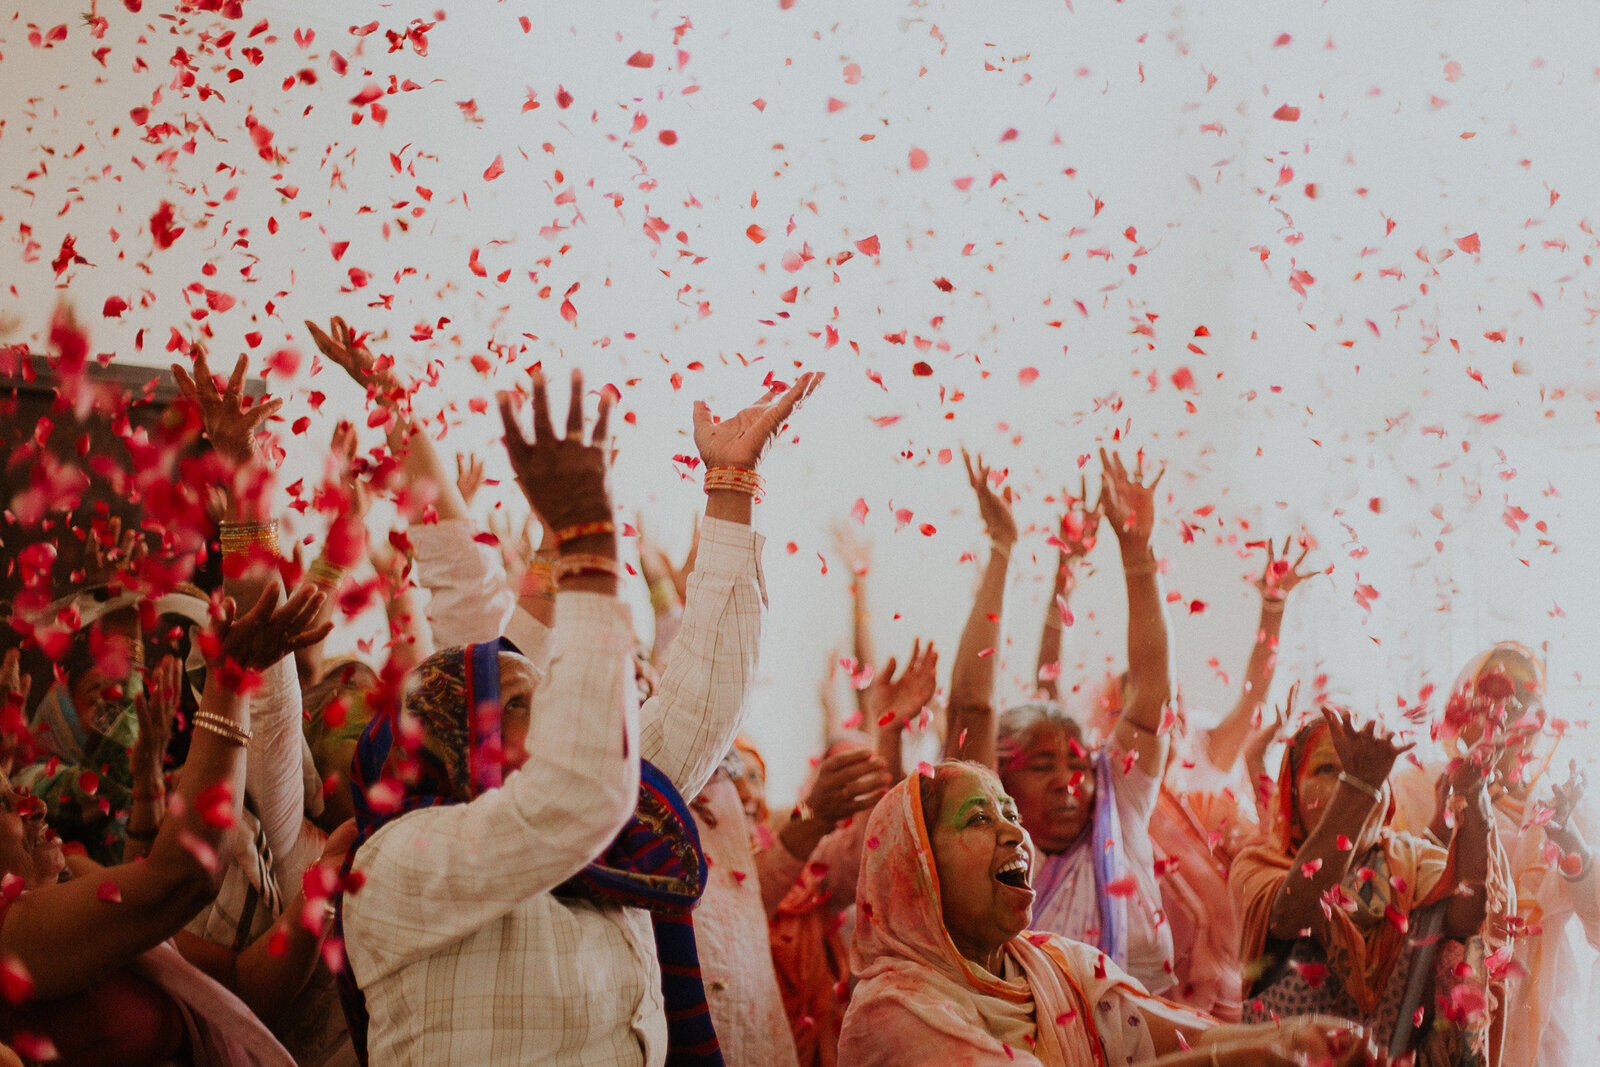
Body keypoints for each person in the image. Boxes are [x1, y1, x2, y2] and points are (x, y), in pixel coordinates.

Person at [336, 365, 824, 1065]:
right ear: (450, 748)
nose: (564, 710)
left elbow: (701, 700)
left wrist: (730, 489)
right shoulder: (393, 867)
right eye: (520, 702)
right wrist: (587, 540)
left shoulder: (606, 844)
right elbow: (571, 796)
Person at [838, 760, 1378, 1065]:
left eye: (1010, 813)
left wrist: (1298, 1035)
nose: (1014, 831)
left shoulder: (1057, 964)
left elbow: (1184, 1035)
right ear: (917, 870)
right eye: (978, 819)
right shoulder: (892, 1013)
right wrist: (1233, 1065)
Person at [0, 585, 335, 1066]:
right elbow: (183, 873)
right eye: (5, 804)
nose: (32, 805)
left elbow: (242, 983)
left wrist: (326, 884)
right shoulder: (10, 937)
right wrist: (228, 682)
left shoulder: (72, 870)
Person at [947, 448, 1177, 994]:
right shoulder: (986, 851)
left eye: (1077, 763)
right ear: (997, 779)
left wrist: (1137, 552)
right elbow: (972, 707)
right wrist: (1003, 548)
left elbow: (1150, 688)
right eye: (1042, 764)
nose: (1068, 782)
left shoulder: (1118, 804)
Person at [1230, 708, 1496, 1063]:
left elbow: (1466, 915)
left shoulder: (1412, 860)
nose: (1346, 781)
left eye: (1366, 771)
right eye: (1328, 770)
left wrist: (1474, 798)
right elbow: (1291, 916)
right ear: (1292, 793)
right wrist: (1358, 785)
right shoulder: (1256, 866)